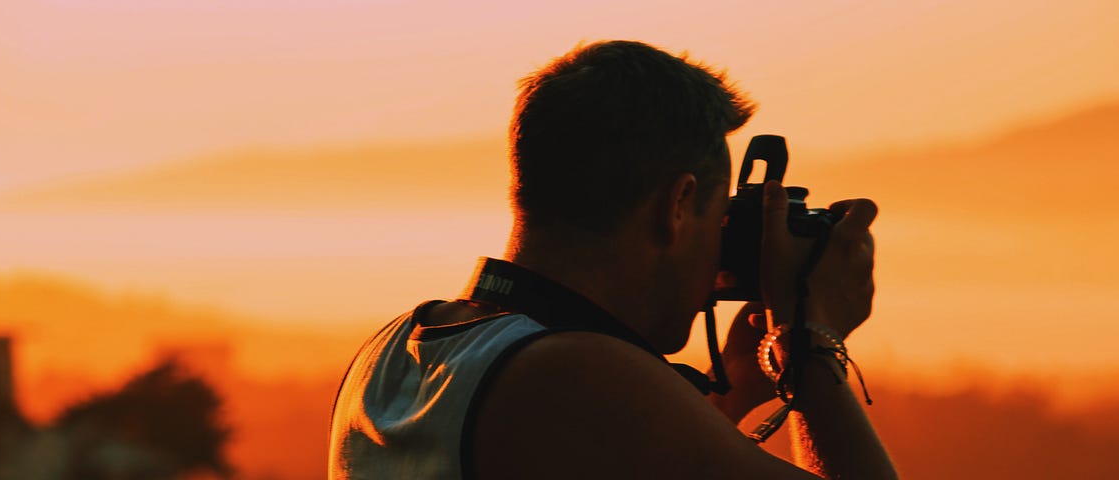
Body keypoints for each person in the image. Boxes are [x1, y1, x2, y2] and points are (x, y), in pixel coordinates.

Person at [328, 40, 897, 479]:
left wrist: (738, 389)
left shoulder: (394, 350)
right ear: (676, 204)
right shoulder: (572, 371)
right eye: (717, 219)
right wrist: (809, 348)